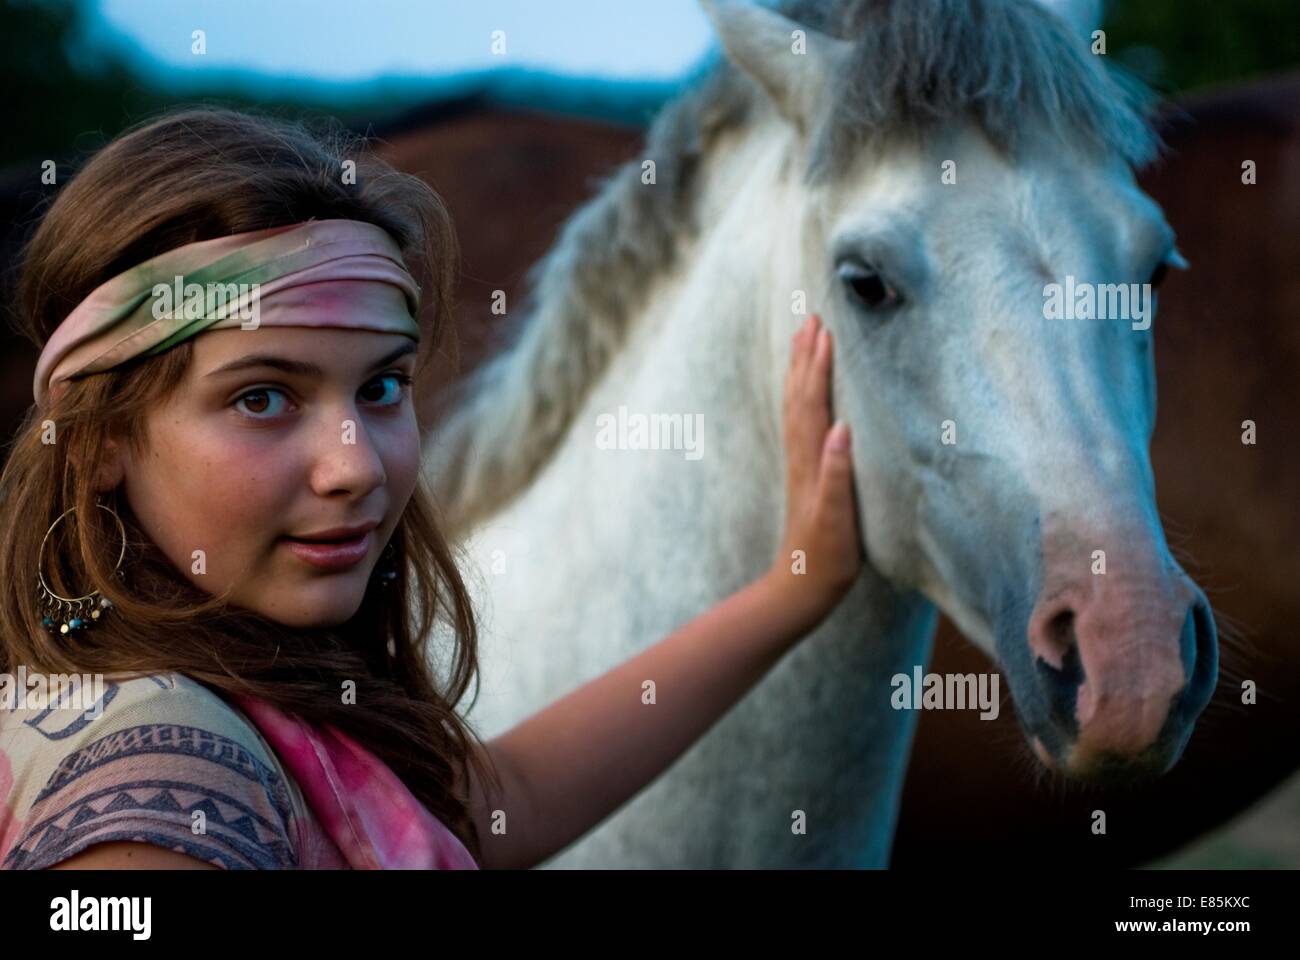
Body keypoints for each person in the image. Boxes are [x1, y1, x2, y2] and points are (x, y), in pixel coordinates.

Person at [0, 108, 862, 870]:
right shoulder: (160, 806)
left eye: (381, 388)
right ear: (100, 438)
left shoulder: (224, 693)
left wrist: (797, 585)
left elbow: (495, 804)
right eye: (262, 398)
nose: (358, 467)